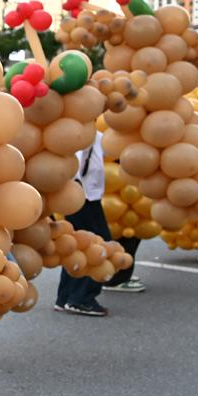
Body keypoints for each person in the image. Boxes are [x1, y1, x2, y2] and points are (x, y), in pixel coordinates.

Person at [55, 131, 112, 317]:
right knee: (98, 244)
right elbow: (76, 164)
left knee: (76, 246)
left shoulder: (94, 133)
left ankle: (65, 297)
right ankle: (81, 298)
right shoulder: (85, 133)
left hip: (82, 196)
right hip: (84, 196)